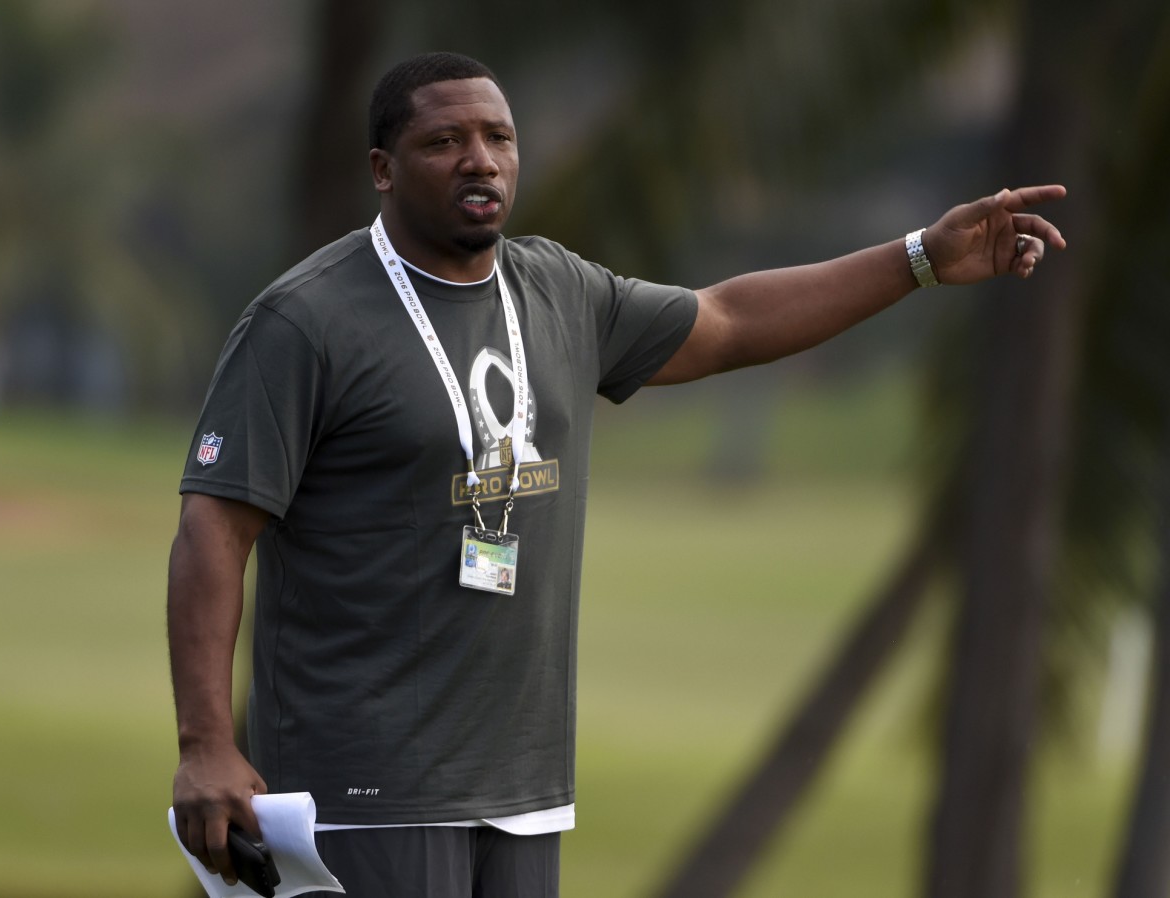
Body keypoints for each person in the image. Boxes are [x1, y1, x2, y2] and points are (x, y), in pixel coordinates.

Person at [167, 51, 1065, 898]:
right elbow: (214, 529)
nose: (479, 159)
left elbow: (728, 320)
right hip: (365, 795)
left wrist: (918, 259)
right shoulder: (305, 321)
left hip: (523, 793)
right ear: (382, 168)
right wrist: (207, 742)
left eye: (499, 137)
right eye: (444, 142)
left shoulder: (557, 290)